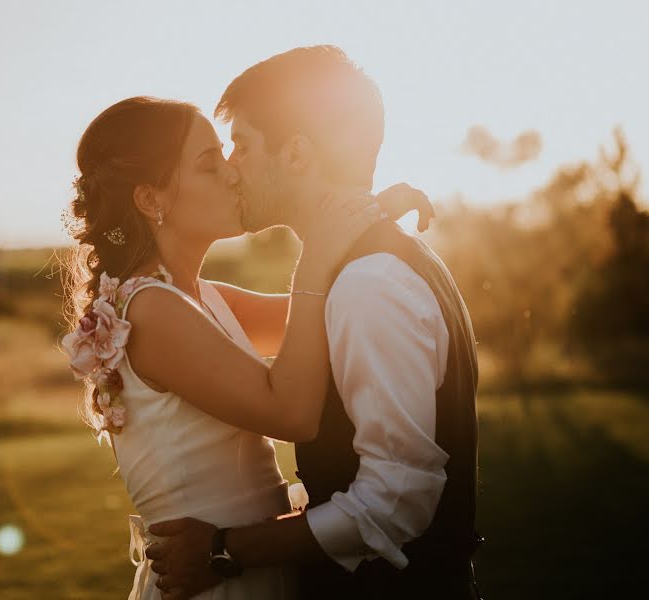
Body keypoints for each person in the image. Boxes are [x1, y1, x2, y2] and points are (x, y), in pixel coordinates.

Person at [60, 93, 433, 600]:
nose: (233, 174)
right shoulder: (151, 313)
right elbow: (292, 412)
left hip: (247, 566)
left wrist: (366, 218)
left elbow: (328, 310)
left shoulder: (200, 297)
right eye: (209, 164)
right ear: (151, 200)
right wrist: (316, 257)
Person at [144, 46, 483, 600]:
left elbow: (395, 500)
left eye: (242, 145)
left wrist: (226, 548)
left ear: (297, 154)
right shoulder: (371, 267)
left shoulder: (368, 283)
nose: (231, 167)